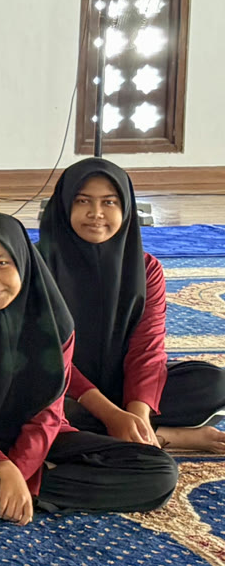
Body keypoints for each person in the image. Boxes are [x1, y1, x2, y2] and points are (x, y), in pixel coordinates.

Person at [0, 212, 179, 521]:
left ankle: (8, 491)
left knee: (159, 472)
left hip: (40, 441)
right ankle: (26, 488)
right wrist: (4, 468)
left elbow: (48, 415)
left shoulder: (54, 325)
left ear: (24, 262)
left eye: (1, 263)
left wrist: (20, 469)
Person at [38, 158, 225, 452]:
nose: (96, 213)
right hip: (63, 387)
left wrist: (138, 412)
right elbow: (44, 356)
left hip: (120, 383)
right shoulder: (36, 267)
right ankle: (163, 435)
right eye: (83, 201)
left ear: (125, 209)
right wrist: (111, 415)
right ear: (63, 206)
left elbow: (147, 348)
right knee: (22, 403)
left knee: (213, 383)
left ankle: (129, 431)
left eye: (109, 202)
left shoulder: (145, 268)